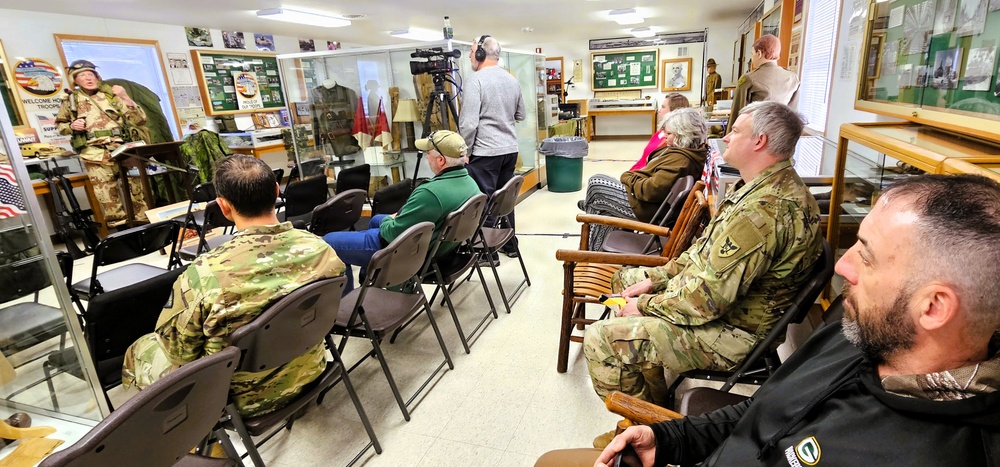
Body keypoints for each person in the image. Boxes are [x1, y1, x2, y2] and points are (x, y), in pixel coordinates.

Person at [539, 173, 1000, 467]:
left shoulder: (932, 453)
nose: (843, 266)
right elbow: (765, 410)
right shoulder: (859, 335)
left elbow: (710, 299)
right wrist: (668, 440)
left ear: (934, 307)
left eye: (868, 256)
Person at [584, 102, 822, 445]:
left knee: (601, 340)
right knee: (626, 280)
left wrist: (647, 305)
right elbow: (700, 256)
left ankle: (646, 430)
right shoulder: (759, 188)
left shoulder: (766, 211)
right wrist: (654, 281)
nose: (726, 136)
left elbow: (705, 301)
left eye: (736, 131)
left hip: (732, 332)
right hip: (723, 308)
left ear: (760, 141)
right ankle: (653, 407)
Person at [122, 155, 345, 418]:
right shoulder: (321, 249)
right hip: (311, 371)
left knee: (141, 348)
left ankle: (183, 437)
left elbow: (179, 352)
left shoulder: (205, 274)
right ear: (276, 191)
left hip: (240, 402)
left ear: (223, 207)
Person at [322, 131, 481, 292]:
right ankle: (371, 279)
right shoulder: (471, 184)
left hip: (409, 253)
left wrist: (390, 220)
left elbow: (392, 233)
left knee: (329, 242)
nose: (426, 157)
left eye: (428, 153)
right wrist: (393, 218)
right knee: (375, 219)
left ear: (441, 160)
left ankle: (347, 307)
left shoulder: (430, 193)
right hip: (438, 248)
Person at [579, 108, 709, 251]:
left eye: (669, 133)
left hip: (645, 209)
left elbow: (650, 190)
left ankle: (590, 212)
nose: (664, 136)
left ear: (684, 135)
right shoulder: (684, 152)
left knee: (596, 183)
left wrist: (629, 178)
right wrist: (635, 178)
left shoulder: (681, 160)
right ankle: (594, 246)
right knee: (602, 207)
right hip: (647, 203)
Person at [56, 60, 150, 227]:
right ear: (75, 80)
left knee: (136, 190)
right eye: (82, 75)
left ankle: (144, 225)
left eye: (91, 74)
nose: (88, 78)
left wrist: (125, 96)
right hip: (95, 153)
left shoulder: (111, 96)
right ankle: (120, 230)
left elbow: (140, 119)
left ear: (97, 76)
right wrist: (71, 126)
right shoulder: (70, 101)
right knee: (107, 196)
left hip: (123, 150)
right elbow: (60, 125)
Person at [459, 35, 526, 263]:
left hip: (485, 152)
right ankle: (510, 244)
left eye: (471, 51)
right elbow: (521, 115)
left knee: (484, 200)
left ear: (480, 54)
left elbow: (468, 123)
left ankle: (488, 253)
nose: (469, 55)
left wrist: (464, 150)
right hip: (509, 151)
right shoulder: (512, 80)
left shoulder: (475, 80)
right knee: (505, 198)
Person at [726, 35, 799, 134]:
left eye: (752, 54)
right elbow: (792, 114)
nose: (752, 58)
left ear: (759, 53)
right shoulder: (793, 78)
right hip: (779, 136)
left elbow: (737, 114)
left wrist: (729, 138)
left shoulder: (748, 79)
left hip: (753, 134)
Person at [630, 93, 691, 172]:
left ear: (673, 112)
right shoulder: (660, 132)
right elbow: (643, 159)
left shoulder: (672, 140)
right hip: (634, 172)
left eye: (663, 107)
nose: (659, 111)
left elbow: (651, 168)